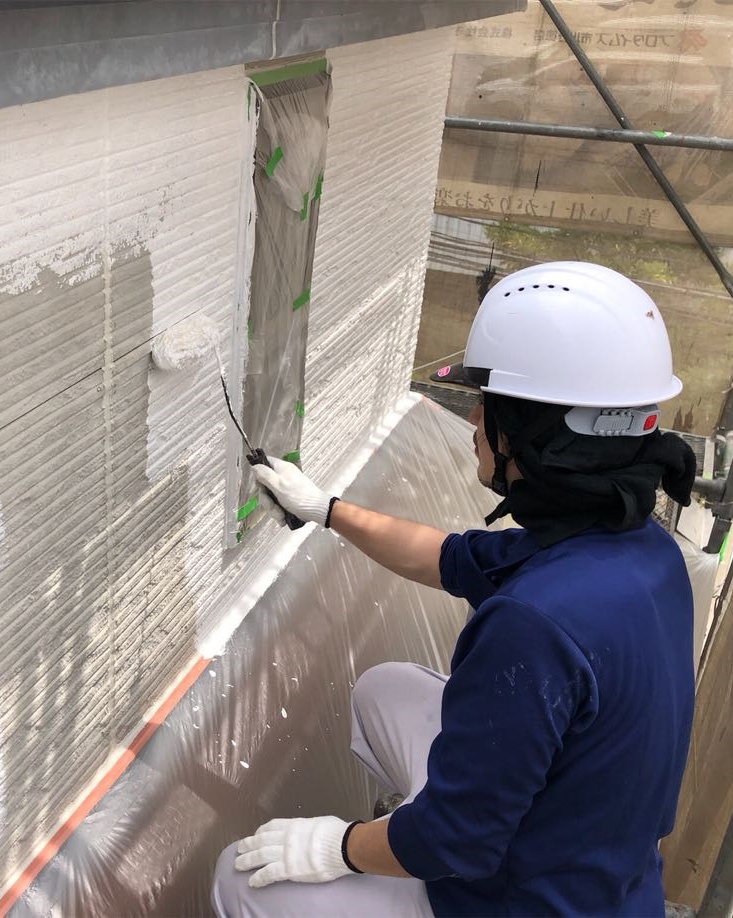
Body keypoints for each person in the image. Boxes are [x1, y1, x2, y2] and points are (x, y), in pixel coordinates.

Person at [212, 262, 699, 917]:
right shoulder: (636, 548)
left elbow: (454, 841)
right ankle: (449, 812)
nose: (473, 417)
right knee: (385, 689)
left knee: (239, 878)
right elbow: (446, 558)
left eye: (489, 405)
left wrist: (338, 846)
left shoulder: (534, 623)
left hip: (522, 903)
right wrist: (325, 510)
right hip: (602, 871)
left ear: (537, 436)